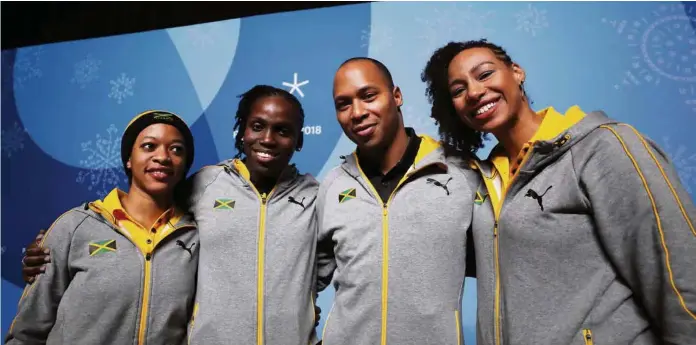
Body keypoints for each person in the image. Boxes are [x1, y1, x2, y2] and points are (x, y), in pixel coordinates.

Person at [421, 39, 696, 345]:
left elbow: (679, 268)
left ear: (516, 72)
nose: (474, 92)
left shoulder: (602, 147)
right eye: (458, 91)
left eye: (484, 74)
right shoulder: (483, 181)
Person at [19, 85, 321, 345]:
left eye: (283, 130)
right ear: (242, 132)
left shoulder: (316, 195)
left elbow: (339, 257)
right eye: (257, 126)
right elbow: (146, 204)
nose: (267, 138)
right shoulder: (206, 185)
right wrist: (51, 249)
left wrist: (300, 302)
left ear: (299, 139)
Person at [315, 57, 479, 345]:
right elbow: (303, 281)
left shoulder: (460, 174)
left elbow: (502, 270)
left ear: (397, 96)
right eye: (343, 104)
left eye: (368, 96)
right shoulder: (333, 186)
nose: (357, 112)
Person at [6, 110, 199, 345]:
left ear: (185, 164)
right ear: (129, 158)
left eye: (176, 149)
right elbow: (28, 330)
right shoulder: (76, 226)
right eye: (149, 146)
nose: (163, 157)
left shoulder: (195, 238)